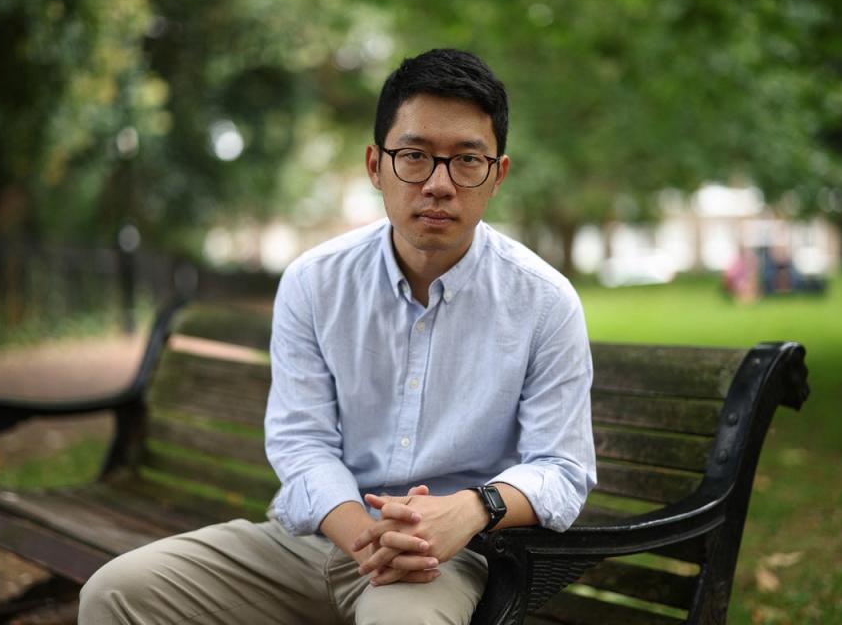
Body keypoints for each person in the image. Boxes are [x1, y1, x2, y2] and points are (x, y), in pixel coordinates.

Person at [78, 48, 596, 625]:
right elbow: (301, 441)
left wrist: (473, 509)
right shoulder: (315, 281)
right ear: (375, 166)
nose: (439, 184)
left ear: (497, 175)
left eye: (467, 161)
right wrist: (364, 534)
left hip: (445, 558)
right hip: (316, 537)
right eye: (415, 156)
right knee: (115, 592)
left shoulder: (543, 301)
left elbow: (561, 467)